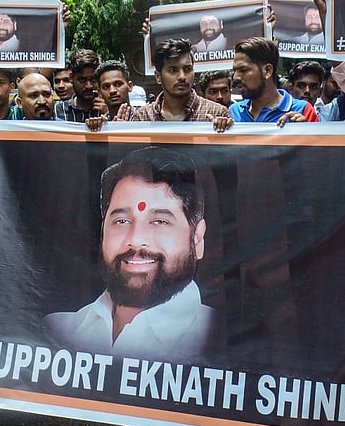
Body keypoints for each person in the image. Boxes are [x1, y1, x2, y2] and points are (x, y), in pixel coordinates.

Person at [44, 146, 217, 360]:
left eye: (160, 221)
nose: (135, 240)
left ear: (197, 239)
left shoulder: (217, 338)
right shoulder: (57, 332)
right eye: (122, 221)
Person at [129, 38, 231, 132]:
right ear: (158, 77)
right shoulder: (143, 117)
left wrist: (223, 130)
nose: (182, 76)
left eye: (187, 69)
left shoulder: (217, 113)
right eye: (173, 70)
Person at [228, 37, 318, 125]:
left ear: (267, 71)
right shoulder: (234, 112)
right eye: (234, 71)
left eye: (243, 70)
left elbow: (319, 140)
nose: (236, 77)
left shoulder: (303, 110)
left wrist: (305, 132)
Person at [54, 49, 107, 122]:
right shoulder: (57, 110)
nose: (89, 86)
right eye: (82, 80)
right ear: (71, 78)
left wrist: (108, 115)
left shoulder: (108, 108)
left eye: (93, 79)